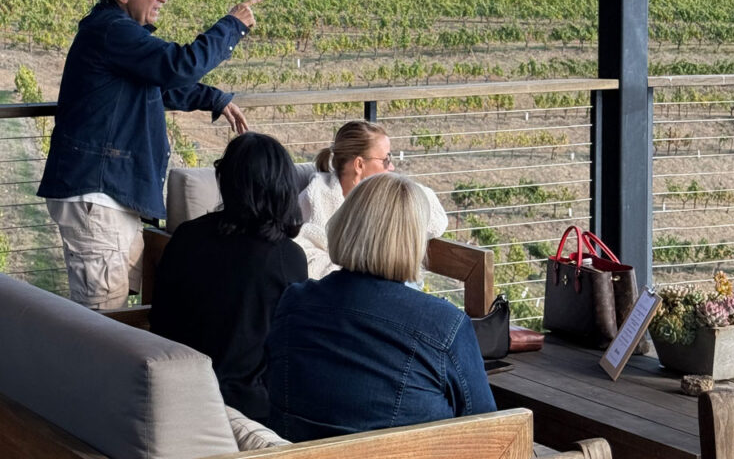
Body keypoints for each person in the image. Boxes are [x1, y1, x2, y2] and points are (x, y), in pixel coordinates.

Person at [38, 0, 259, 310]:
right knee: (101, 324)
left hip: (109, 195)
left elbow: (158, 85)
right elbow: (176, 66)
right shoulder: (112, 31)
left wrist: (214, 99)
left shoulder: (114, 33)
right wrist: (231, 26)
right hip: (98, 195)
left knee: (117, 310)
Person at [266, 172, 496, 442]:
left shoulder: (294, 303)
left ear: (344, 225)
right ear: (414, 242)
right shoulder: (445, 326)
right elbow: (489, 431)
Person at [149, 133, 307, 422]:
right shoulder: (286, 257)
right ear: (283, 184)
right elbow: (293, 350)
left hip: (175, 393)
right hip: (246, 412)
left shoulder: (187, 235)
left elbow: (160, 318)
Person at [296, 120, 448, 278]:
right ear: (359, 164)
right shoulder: (316, 199)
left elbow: (437, 220)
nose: (391, 168)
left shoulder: (388, 197)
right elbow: (307, 259)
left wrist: (401, 189)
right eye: (386, 160)